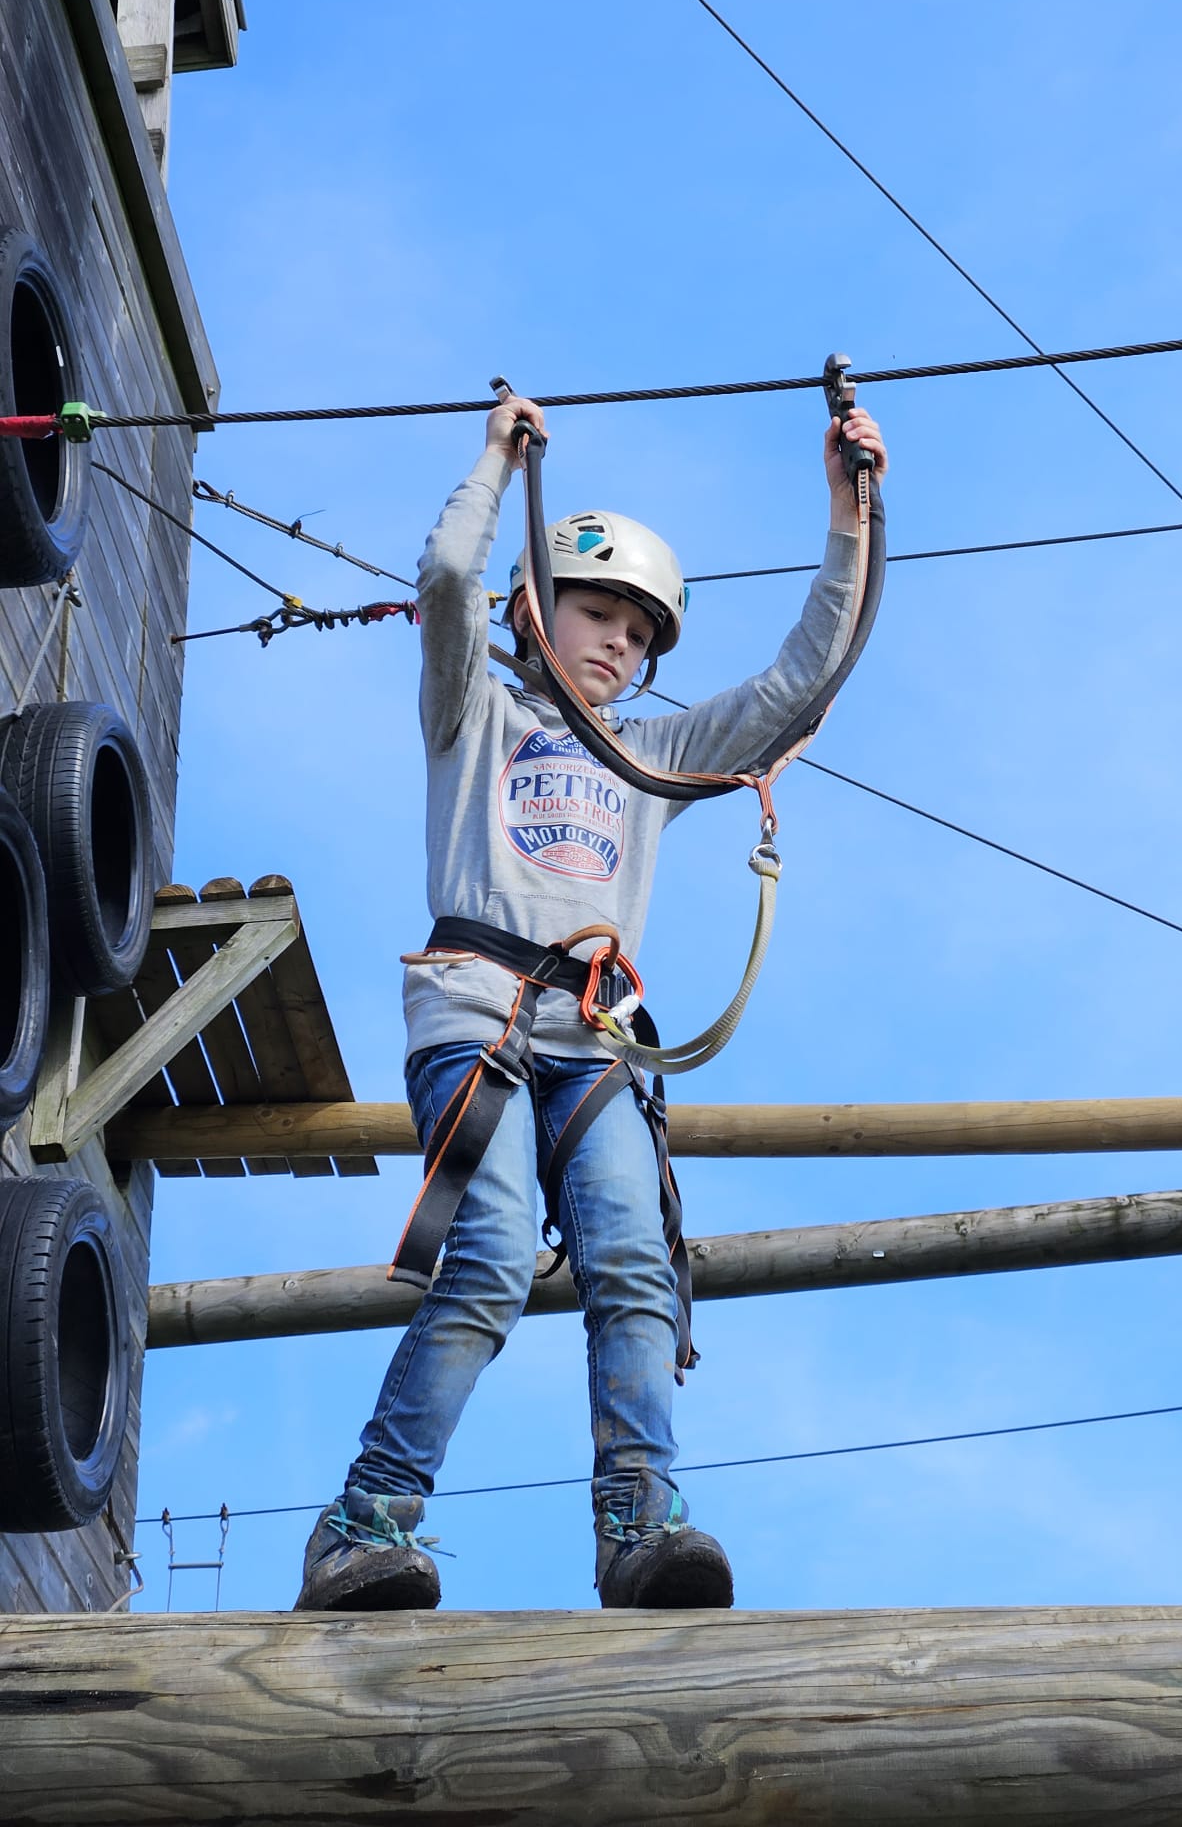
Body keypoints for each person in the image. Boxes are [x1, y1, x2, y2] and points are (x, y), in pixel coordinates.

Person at [294, 389, 887, 1612]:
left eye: (638, 631)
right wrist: (497, 462)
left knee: (634, 1263)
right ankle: (365, 1519)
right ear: (538, 607)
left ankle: (638, 1523)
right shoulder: (477, 707)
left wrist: (848, 514)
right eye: (596, 610)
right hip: (479, 1012)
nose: (618, 642)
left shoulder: (652, 756)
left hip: (598, 1038)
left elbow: (802, 678)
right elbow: (448, 579)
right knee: (496, 1252)